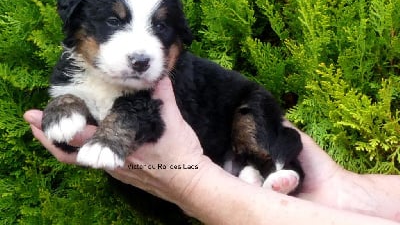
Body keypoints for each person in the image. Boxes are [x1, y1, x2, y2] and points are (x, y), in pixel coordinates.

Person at [24, 77, 400, 225]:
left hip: (224, 143)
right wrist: (341, 187)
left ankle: (262, 167)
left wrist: (193, 186)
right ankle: (261, 171)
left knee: (253, 125)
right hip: (221, 157)